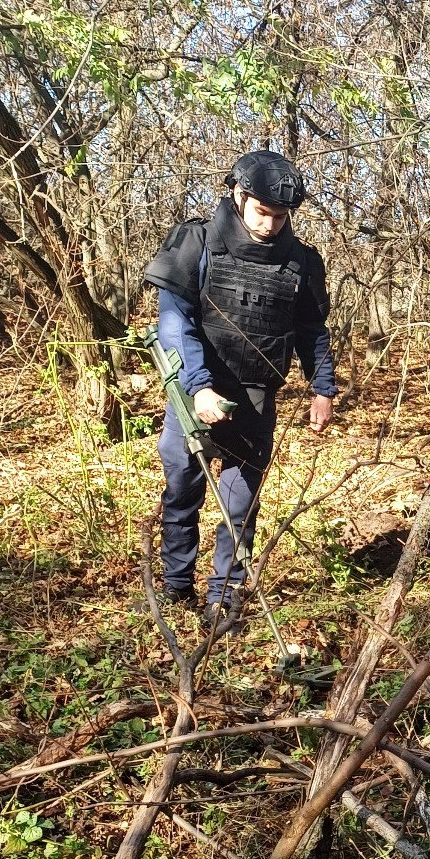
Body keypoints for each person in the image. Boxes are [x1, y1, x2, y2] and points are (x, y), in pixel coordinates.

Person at [142, 150, 336, 626]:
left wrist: (323, 387)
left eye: (280, 216)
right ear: (238, 194)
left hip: (256, 396)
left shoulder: (302, 263)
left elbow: (313, 330)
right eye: (262, 212)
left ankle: (223, 596)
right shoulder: (197, 243)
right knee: (183, 491)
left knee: (240, 504)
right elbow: (174, 322)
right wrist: (199, 386)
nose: (270, 224)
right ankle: (175, 585)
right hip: (194, 392)